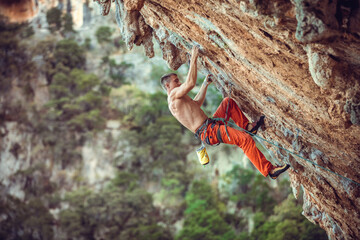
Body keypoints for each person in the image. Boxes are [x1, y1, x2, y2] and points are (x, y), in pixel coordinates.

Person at [160, 46, 289, 179]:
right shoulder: (173, 96)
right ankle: (270, 171)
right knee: (245, 140)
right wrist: (194, 57)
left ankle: (248, 127)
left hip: (211, 125)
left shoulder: (179, 98)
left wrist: (204, 85)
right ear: (168, 86)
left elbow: (196, 104)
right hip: (209, 131)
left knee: (228, 103)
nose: (180, 82)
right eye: (176, 81)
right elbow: (191, 83)